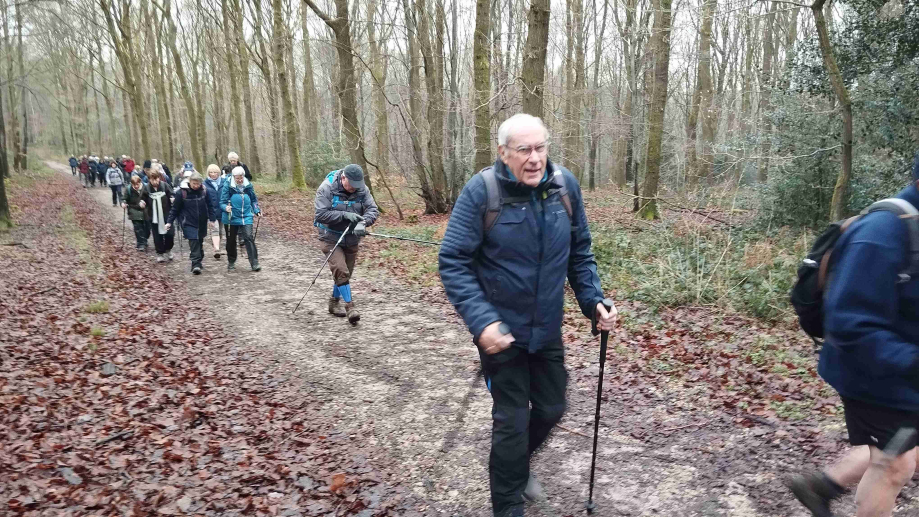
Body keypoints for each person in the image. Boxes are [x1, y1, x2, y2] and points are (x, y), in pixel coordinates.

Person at [438, 114, 618, 517]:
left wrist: (594, 301)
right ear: (503, 153)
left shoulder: (564, 188)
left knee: (553, 409)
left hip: (546, 330)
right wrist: (483, 321)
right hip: (501, 334)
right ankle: (507, 505)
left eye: (541, 148)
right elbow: (453, 261)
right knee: (512, 424)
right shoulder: (481, 192)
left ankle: (516, 470)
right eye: (524, 150)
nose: (535, 158)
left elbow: (580, 253)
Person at [788, 154, 919, 517]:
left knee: (899, 448)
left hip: (903, 371)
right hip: (871, 375)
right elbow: (848, 324)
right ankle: (823, 486)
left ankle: (820, 486)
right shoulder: (881, 234)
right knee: (895, 465)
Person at [313, 164, 379, 324]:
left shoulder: (362, 189)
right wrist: (344, 215)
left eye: (357, 186)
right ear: (343, 178)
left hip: (351, 238)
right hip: (330, 237)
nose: (354, 190)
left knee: (346, 273)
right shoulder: (327, 187)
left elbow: (373, 209)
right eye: (352, 186)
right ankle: (350, 307)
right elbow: (321, 214)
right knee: (341, 270)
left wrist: (363, 223)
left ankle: (334, 302)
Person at [166, 172, 216, 275]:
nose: (196, 186)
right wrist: (169, 222)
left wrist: (212, 219)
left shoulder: (204, 191)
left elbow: (210, 205)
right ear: (190, 182)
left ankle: (199, 259)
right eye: (194, 183)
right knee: (194, 241)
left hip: (202, 221)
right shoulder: (181, 193)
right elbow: (175, 209)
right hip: (187, 221)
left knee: (199, 241)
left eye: (198, 183)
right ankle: (195, 264)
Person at [220, 166, 262, 271]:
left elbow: (253, 200)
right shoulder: (228, 185)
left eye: (241, 178)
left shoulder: (248, 185)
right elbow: (222, 202)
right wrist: (226, 207)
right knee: (231, 240)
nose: (239, 180)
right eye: (237, 178)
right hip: (231, 217)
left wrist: (257, 210)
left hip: (246, 216)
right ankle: (231, 262)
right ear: (233, 177)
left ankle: (254, 263)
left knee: (248, 237)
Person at [145, 168, 176, 263]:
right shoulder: (146, 188)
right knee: (157, 235)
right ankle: (160, 253)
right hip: (153, 216)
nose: (155, 181)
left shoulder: (165, 185)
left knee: (170, 234)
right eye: (152, 179)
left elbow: (172, 194)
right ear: (149, 179)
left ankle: (168, 249)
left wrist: (172, 198)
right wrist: (142, 203)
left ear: (159, 178)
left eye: (156, 178)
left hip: (167, 214)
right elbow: (142, 198)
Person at [122, 175, 150, 251]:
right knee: (138, 228)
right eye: (134, 185)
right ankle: (141, 243)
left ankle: (144, 240)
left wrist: (145, 202)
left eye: (137, 184)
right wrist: (124, 203)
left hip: (146, 210)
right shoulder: (128, 189)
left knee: (147, 227)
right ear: (131, 184)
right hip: (133, 209)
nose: (136, 186)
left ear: (140, 182)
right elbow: (124, 198)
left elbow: (150, 198)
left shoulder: (146, 187)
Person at [204, 164, 225, 259]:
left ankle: (217, 247)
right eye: (211, 172)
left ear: (218, 173)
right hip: (211, 211)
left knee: (220, 230)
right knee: (215, 229)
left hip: (223, 210)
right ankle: (216, 249)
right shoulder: (205, 184)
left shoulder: (224, 182)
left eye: (215, 172)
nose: (213, 174)